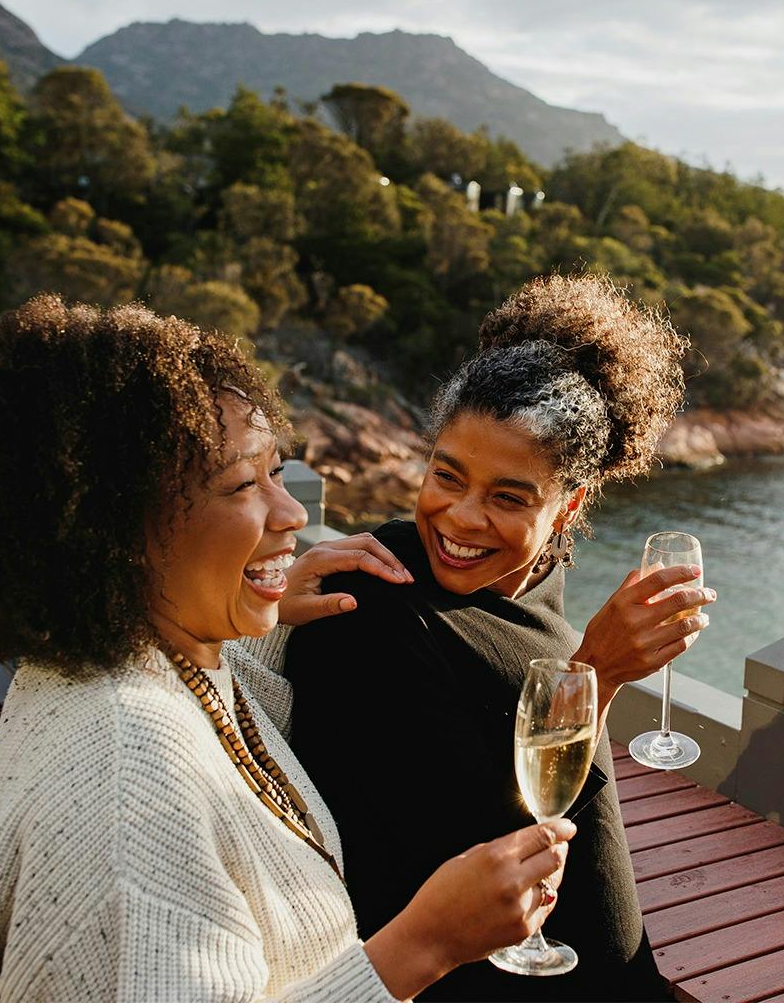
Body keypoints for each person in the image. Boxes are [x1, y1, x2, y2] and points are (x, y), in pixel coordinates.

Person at [0, 295, 575, 1002]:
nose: (292, 514)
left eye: (276, 473)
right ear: (111, 531)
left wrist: (259, 613)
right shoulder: (127, 792)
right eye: (241, 486)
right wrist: (424, 945)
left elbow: (229, 737)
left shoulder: (122, 660)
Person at [286, 275, 710, 1001]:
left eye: (508, 497)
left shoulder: (534, 579)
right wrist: (594, 676)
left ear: (567, 507)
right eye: (445, 476)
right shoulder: (374, 605)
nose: (460, 519)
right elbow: (467, 864)